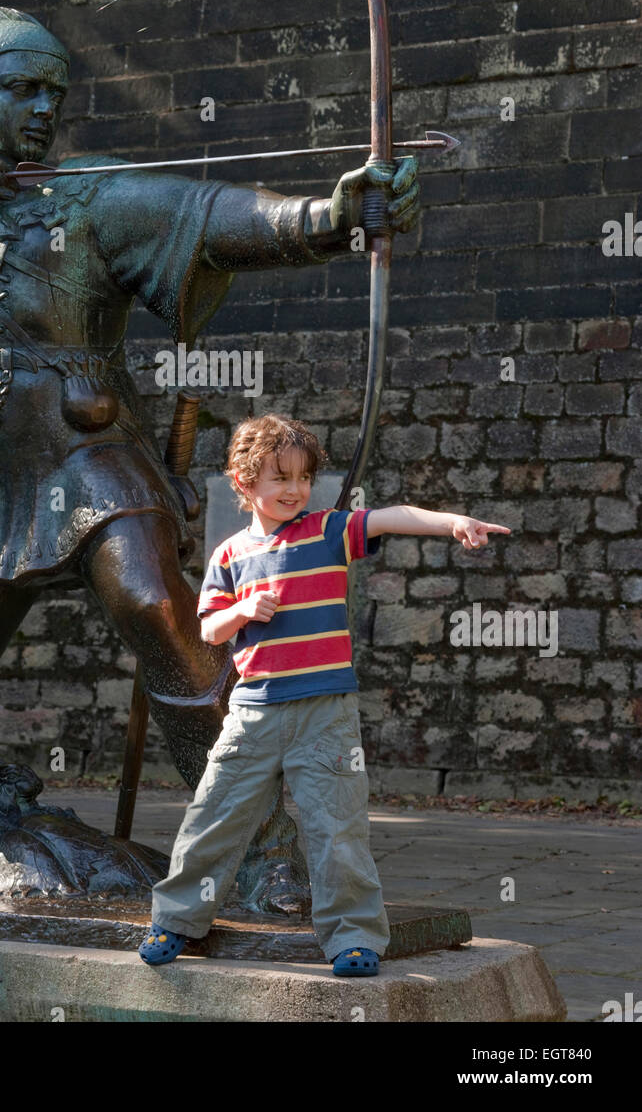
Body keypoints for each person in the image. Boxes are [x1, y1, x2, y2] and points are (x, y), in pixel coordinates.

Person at [0, 5, 422, 907]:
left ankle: (261, 847)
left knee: (155, 607)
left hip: (92, 455)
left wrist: (330, 217)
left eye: (54, 92)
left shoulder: (94, 194)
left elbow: (215, 216)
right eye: (19, 88)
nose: (42, 108)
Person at [139, 414, 511, 975]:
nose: (295, 490)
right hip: (252, 713)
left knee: (337, 828)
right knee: (212, 818)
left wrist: (452, 521)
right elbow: (209, 630)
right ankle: (176, 921)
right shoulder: (229, 556)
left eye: (304, 478)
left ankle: (354, 937)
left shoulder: (328, 531)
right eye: (280, 478)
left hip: (326, 713)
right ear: (244, 483)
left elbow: (393, 516)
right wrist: (242, 609)